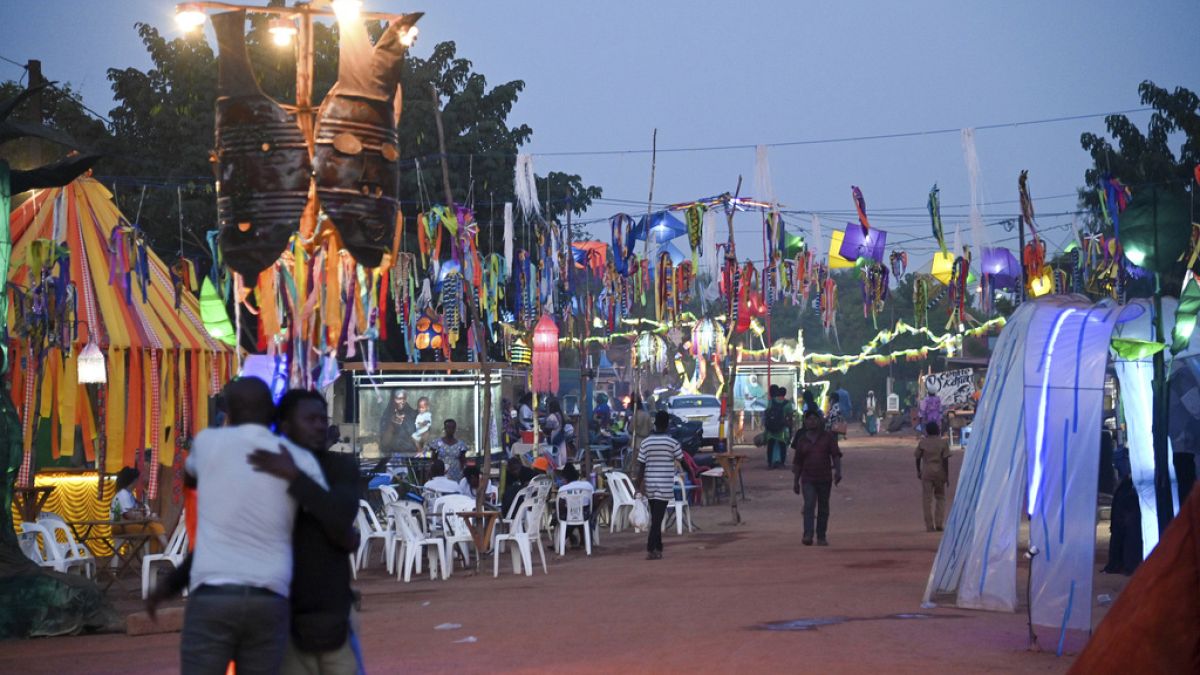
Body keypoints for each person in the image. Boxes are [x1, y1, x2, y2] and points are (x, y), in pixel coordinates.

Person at [179, 378, 327, 675]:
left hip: (212, 592)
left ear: (227, 411)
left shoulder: (207, 444)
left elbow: (191, 479)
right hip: (269, 593)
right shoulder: (297, 458)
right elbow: (325, 514)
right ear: (272, 412)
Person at [248, 389, 363, 674]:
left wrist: (294, 477)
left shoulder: (341, 466)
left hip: (332, 609)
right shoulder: (263, 471)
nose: (320, 426)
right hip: (284, 615)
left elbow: (340, 515)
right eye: (309, 419)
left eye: (322, 419)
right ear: (285, 426)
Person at [636, 411, 683, 560]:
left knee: (655, 516)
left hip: (650, 484)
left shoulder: (646, 442)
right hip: (664, 484)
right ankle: (651, 547)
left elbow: (641, 466)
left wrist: (638, 485)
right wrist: (693, 474)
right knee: (657, 518)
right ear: (667, 424)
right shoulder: (672, 443)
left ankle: (658, 547)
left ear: (655, 423)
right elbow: (682, 459)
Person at [792, 409, 843, 546]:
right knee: (809, 505)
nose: (812, 421)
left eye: (815, 419)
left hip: (824, 478)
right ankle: (808, 534)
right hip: (808, 478)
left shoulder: (828, 437)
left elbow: (836, 455)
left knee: (823, 507)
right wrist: (795, 481)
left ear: (820, 421)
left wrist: (838, 472)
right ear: (805, 422)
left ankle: (821, 535)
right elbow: (797, 462)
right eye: (809, 419)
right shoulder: (802, 440)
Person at [109, 466, 168, 552]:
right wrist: (149, 518)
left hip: (128, 525)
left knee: (155, 528)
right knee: (155, 528)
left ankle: (153, 557)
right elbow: (130, 516)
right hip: (120, 527)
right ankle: (165, 551)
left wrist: (148, 515)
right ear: (133, 481)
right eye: (137, 480)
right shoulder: (123, 494)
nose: (138, 482)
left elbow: (138, 511)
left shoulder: (129, 494)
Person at [915, 422, 951, 532]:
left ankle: (929, 525)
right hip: (939, 471)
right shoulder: (943, 443)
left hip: (926, 472)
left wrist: (919, 471)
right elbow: (945, 460)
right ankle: (939, 523)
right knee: (940, 497)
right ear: (937, 430)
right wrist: (946, 475)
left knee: (927, 499)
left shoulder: (922, 443)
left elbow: (917, 458)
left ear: (927, 431)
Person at [556, 463, 595, 549]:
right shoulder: (587, 485)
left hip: (569, 517)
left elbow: (561, 506)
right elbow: (592, 500)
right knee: (585, 513)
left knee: (564, 515)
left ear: (565, 478)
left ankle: (563, 540)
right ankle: (585, 539)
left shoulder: (562, 490)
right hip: (585, 516)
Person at [763, 385, 797, 470]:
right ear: (785, 394)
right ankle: (782, 463)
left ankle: (770, 463)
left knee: (770, 445)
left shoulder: (771, 401)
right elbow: (790, 417)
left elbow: (767, 412)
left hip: (771, 428)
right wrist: (790, 429)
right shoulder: (788, 404)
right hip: (781, 428)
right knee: (782, 445)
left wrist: (767, 424)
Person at [543, 399, 567, 467]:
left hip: (554, 437)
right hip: (560, 437)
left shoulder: (552, 417)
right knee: (561, 454)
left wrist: (542, 428)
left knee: (554, 456)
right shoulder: (560, 414)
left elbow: (547, 429)